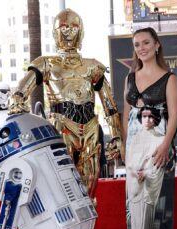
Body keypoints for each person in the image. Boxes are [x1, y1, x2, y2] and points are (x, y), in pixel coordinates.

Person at [9, 8, 123, 204]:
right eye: (64, 27)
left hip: (90, 130)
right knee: (61, 188)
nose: (69, 31)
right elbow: (21, 90)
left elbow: (109, 105)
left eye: (74, 27)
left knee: (90, 189)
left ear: (81, 31)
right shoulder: (45, 64)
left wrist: (116, 135)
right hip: (60, 129)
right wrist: (17, 100)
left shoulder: (93, 66)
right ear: (55, 32)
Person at [122, 27, 177, 229]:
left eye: (146, 42)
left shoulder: (170, 79)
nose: (142, 48)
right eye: (137, 44)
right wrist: (125, 148)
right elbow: (126, 115)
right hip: (135, 149)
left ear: (157, 45)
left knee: (159, 203)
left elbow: (175, 116)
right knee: (134, 201)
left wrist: (165, 146)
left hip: (159, 147)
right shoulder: (129, 78)